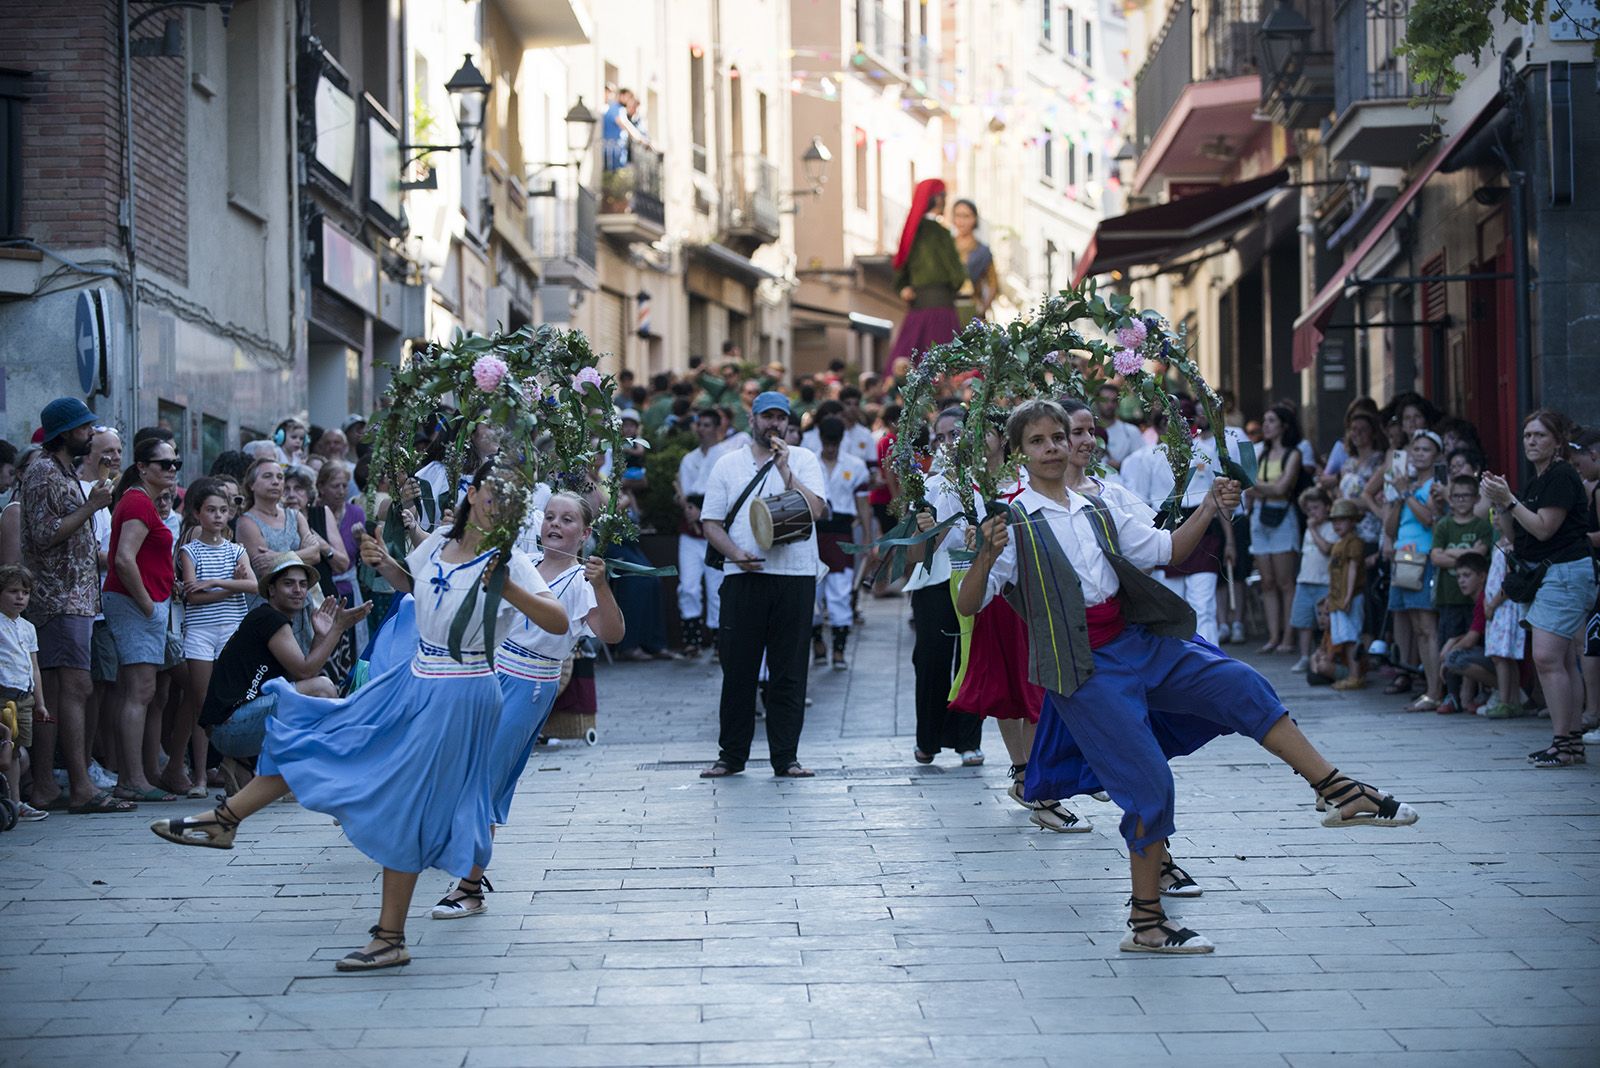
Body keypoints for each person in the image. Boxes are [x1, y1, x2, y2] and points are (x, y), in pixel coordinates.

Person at [956, 398, 1419, 953]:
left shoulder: (1097, 505)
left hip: (1134, 641)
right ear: (1018, 453)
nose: (1053, 447)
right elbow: (969, 602)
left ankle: (1339, 791)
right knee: (1149, 785)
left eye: (1058, 436)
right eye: (1038, 441)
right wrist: (985, 556)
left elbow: (1168, 549)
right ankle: (1147, 924)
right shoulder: (1012, 521)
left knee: (1240, 683)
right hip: (1083, 668)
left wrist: (1209, 507)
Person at [152, 463, 567, 972]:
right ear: (473, 492)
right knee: (330, 732)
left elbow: (557, 620)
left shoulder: (510, 561)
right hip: (415, 678)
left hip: (462, 692)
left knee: (407, 803)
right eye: (494, 491)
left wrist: (507, 587)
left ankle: (391, 937)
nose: (501, 503)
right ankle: (225, 820)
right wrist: (385, 562)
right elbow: (416, 586)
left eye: (512, 497)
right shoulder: (440, 542)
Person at [429, 492, 625, 919]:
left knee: (486, 780)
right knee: (463, 770)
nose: (555, 524)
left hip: (529, 683)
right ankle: (467, 870)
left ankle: (469, 887)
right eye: (550, 516)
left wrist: (601, 585)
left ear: (585, 533)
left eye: (568, 519)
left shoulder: (580, 581)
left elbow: (612, 634)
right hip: (486, 671)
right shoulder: (523, 562)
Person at [699, 392, 826, 779]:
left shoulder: (803, 459)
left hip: (795, 577)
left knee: (790, 672)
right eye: (767, 416)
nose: (774, 424)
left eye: (781, 418)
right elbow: (710, 523)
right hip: (743, 578)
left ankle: (786, 758)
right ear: (752, 419)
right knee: (739, 670)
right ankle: (731, 756)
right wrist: (736, 554)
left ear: (788, 423)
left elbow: (815, 510)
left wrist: (786, 469)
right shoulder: (727, 463)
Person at [18, 399, 122, 812]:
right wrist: (92, 506)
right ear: (64, 433)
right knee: (75, 688)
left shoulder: (60, 471)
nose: (91, 434)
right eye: (84, 428)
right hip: (59, 597)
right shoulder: (44, 472)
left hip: (71, 597)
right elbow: (46, 534)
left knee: (60, 691)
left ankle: (47, 784)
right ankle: (80, 787)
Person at [1480, 409, 1598, 766]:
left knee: (1546, 657)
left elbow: (1545, 528)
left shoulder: (1561, 475)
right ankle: (1571, 742)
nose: (1531, 441)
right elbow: (1516, 536)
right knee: (1560, 659)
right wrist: (1501, 503)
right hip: (1550, 575)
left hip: (1565, 573)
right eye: (1527, 435)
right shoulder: (1538, 480)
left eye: (1539, 435)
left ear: (1558, 442)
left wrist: (1510, 500)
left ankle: (1562, 742)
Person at [197, 555, 362, 773]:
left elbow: (302, 674)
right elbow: (306, 673)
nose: (298, 590)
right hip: (230, 727)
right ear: (271, 589)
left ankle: (242, 767)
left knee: (314, 692)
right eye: (288, 583)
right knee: (322, 689)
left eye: (303, 584)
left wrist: (321, 636)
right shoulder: (269, 618)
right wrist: (338, 628)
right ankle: (317, 770)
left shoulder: (268, 618)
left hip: (230, 727)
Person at [903, 407, 986, 766]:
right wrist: (928, 531)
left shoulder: (989, 481)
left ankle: (968, 740)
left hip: (976, 580)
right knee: (931, 659)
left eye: (956, 435)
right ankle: (928, 740)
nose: (948, 444)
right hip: (935, 581)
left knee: (971, 659)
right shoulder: (928, 486)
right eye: (941, 437)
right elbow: (912, 552)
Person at [102, 436, 182, 803]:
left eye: (175, 463)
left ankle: (135, 776)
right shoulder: (136, 501)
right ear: (142, 468)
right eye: (164, 463)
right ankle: (132, 779)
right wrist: (148, 605)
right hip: (135, 605)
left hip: (141, 602)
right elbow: (123, 559)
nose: (172, 469)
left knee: (138, 691)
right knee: (140, 690)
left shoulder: (141, 500)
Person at [172, 480, 255, 795]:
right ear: (197, 513)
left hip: (232, 629)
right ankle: (201, 777)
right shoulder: (189, 551)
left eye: (223, 510)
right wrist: (229, 585)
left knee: (235, 701)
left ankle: (234, 769)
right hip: (200, 632)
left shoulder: (237, 549)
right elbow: (192, 595)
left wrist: (214, 583)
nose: (218, 516)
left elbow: (253, 585)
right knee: (202, 703)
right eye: (211, 510)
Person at [1384, 430, 1444, 712]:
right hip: (1403, 556)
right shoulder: (1405, 484)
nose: (1419, 454)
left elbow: (1429, 518)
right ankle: (1430, 690)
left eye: (1425, 450)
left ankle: (1435, 691)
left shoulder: (1436, 485)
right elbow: (1390, 528)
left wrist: (1406, 493)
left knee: (1427, 627)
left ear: (1437, 455)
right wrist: (1398, 496)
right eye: (1415, 449)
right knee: (1417, 628)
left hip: (1424, 555)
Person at [1429, 475, 1493, 708]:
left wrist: (1450, 553)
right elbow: (1436, 557)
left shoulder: (1482, 526)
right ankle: (1451, 695)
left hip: (1475, 600)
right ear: (1450, 498)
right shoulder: (1444, 525)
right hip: (1449, 597)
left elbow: (1480, 556)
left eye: (1466, 495)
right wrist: (1467, 555)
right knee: (1448, 640)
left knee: (1475, 644)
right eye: (1456, 496)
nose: (1461, 500)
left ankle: (1474, 695)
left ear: (1476, 498)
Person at [1245, 406, 1304, 653]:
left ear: (1284, 425)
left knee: (1285, 582)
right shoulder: (1262, 453)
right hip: (1260, 516)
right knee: (1267, 582)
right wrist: (1262, 487)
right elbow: (1252, 490)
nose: (1266, 425)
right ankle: (1273, 636)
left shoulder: (1293, 454)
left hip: (1282, 516)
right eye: (1265, 420)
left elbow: (1282, 488)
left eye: (1271, 420)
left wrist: (1256, 485)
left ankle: (1288, 637)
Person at [890, 179, 967, 366]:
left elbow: (901, 266)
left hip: (917, 311)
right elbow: (956, 275)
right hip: (942, 310)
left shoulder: (911, 231)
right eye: (944, 196)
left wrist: (904, 287)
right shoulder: (940, 232)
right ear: (938, 199)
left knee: (908, 363)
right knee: (947, 364)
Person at [812, 416, 868, 670]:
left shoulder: (855, 466)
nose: (830, 447)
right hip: (814, 534)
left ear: (841, 440)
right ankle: (817, 642)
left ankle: (839, 649)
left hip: (842, 533)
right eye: (827, 442)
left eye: (834, 442)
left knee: (840, 590)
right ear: (820, 438)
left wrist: (867, 537)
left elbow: (863, 503)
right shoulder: (808, 463)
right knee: (813, 593)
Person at [674, 409, 728, 657]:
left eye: (707, 425)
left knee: (716, 587)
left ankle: (718, 640)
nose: (702, 429)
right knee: (688, 585)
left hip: (715, 527)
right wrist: (686, 507)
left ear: (717, 428)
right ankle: (692, 639)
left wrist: (703, 511)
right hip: (690, 531)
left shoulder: (725, 457)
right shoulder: (689, 459)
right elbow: (684, 492)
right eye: (700, 425)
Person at [0, 564, 49, 822]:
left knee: (16, 751)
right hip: (3, 695)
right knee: (5, 747)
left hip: (24, 698)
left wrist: (40, 703)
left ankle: (15, 802)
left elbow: (34, 667)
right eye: (13, 591)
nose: (20, 597)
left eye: (25, 592)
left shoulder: (28, 628)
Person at [1438, 553, 1491, 715]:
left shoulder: (1485, 598)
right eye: (1459, 576)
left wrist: (1449, 652)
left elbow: (1471, 640)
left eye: (1467, 575)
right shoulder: (1477, 600)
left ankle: (1499, 690)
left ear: (1482, 577)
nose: (1461, 581)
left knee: (1455, 658)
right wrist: (1454, 640)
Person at [1326, 498, 1368, 690]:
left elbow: (1352, 569)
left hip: (1349, 597)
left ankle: (1355, 675)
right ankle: (1352, 673)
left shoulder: (1354, 543)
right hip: (1337, 598)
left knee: (1352, 637)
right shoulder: (1338, 544)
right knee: (1344, 637)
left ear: (1352, 521)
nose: (1337, 525)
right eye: (1334, 521)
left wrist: (1348, 596)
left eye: (1342, 520)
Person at [950, 198, 998, 323]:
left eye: (966, 216)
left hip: (973, 309)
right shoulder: (947, 247)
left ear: (974, 219)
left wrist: (983, 310)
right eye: (958, 215)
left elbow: (993, 284)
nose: (961, 221)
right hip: (947, 308)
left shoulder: (983, 251)